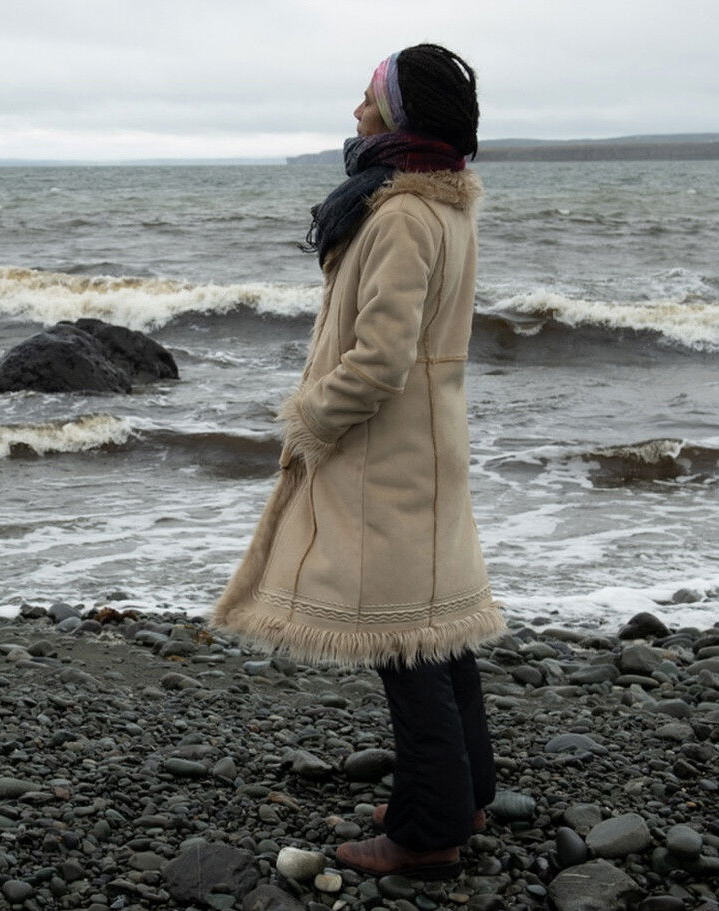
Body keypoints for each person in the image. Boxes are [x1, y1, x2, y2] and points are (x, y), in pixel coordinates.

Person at [210, 43, 503, 880]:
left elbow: (379, 359)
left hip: (385, 453)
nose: (356, 111)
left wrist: (311, 421)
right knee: (439, 628)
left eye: (371, 98)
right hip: (428, 443)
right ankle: (464, 789)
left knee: (398, 636)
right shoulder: (441, 206)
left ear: (403, 116)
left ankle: (428, 829)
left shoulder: (405, 214)